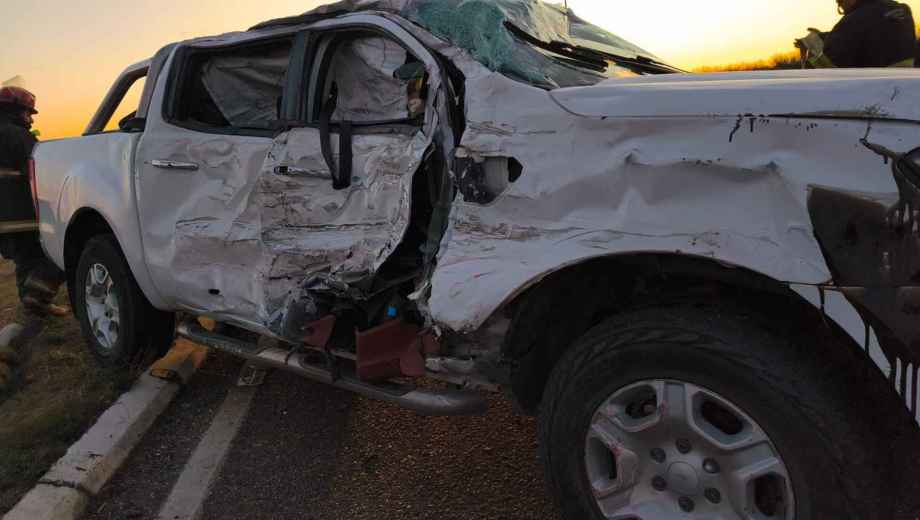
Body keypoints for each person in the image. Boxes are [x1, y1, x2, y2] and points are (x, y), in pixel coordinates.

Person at [0, 86, 68, 394]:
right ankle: (33, 306)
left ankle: (39, 304)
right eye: (27, 112)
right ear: (15, 111)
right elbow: (38, 167)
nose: (29, 118)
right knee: (55, 256)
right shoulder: (15, 135)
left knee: (25, 260)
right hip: (23, 213)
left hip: (4, 221)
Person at [796, 0, 917, 68]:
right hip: (905, 91)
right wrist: (825, 36)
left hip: (870, 95)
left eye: (840, 1)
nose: (840, 5)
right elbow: (870, 32)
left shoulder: (852, 20)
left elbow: (828, 68)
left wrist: (811, 43)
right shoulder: (902, 10)